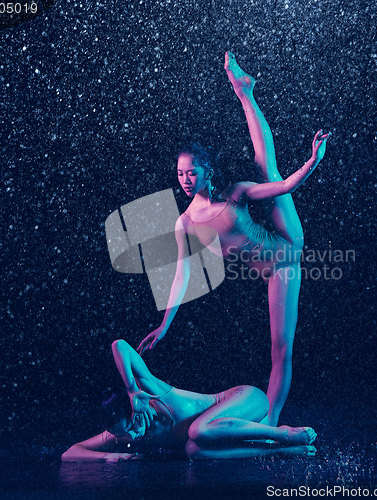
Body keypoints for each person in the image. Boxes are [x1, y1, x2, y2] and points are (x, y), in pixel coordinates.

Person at [138, 52, 330, 426]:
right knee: (278, 348)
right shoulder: (185, 222)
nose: (185, 180)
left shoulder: (235, 193)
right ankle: (270, 423)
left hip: (287, 249)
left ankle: (244, 92)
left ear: (207, 172)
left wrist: (312, 161)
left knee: (266, 168)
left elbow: (286, 185)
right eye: (180, 174)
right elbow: (181, 277)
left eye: (191, 172)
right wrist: (165, 323)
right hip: (271, 273)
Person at [61, 339, 317, 462]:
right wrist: (109, 458)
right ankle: (281, 449)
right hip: (235, 429)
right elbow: (70, 453)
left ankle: (281, 433)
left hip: (247, 400)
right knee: (193, 449)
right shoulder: (122, 433)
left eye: (131, 426)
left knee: (198, 430)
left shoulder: (153, 392)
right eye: (124, 433)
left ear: (135, 408)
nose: (133, 435)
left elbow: (119, 346)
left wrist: (131, 389)